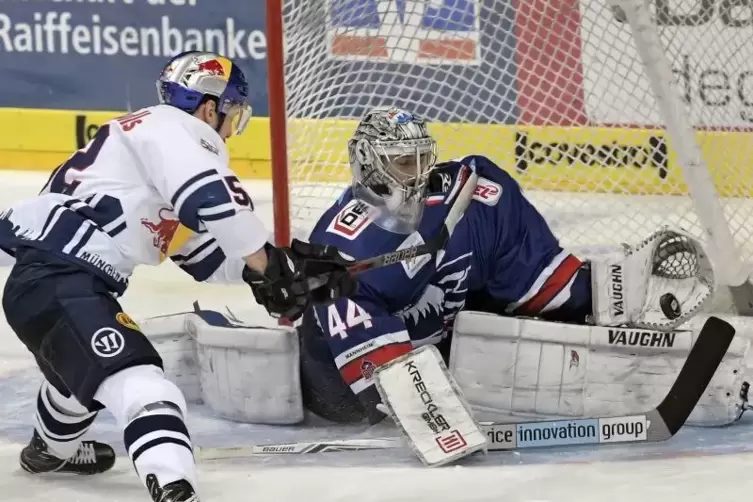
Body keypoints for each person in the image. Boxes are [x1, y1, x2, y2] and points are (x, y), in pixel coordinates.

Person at [0, 51, 354, 502]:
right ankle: (173, 484)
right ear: (210, 108)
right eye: (232, 116)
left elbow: (205, 254)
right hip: (61, 281)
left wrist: (281, 267)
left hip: (47, 284)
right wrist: (268, 264)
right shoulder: (174, 129)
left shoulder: (139, 149)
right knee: (142, 380)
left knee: (77, 372)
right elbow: (213, 197)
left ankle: (50, 449)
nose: (229, 129)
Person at [295, 107, 713, 466]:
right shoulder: (341, 249)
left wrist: (603, 296)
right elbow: (383, 393)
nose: (419, 175)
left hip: (443, 344)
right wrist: (434, 418)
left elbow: (532, 274)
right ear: (369, 166)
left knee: (528, 299)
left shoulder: (475, 199)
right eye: (405, 163)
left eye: (424, 160)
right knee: (381, 382)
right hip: (338, 379)